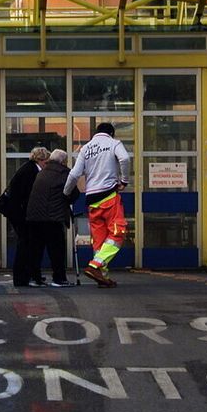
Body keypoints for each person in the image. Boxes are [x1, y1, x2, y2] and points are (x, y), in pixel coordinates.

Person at [63, 122, 130, 288]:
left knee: (99, 241)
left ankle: (103, 277)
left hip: (91, 200)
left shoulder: (86, 149)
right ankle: (95, 265)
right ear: (111, 134)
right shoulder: (114, 144)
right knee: (117, 233)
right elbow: (125, 158)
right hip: (109, 197)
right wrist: (124, 181)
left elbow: (74, 174)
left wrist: (65, 193)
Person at [26, 148, 79, 287]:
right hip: (52, 217)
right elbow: (74, 193)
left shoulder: (42, 172)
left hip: (34, 216)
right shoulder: (63, 173)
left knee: (36, 249)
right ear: (63, 161)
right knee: (56, 249)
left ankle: (35, 278)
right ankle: (59, 278)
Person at [3, 146, 51, 287]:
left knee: (27, 244)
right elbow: (28, 195)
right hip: (22, 213)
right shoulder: (31, 171)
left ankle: (28, 275)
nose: (46, 165)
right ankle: (23, 277)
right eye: (46, 162)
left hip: (19, 212)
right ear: (40, 159)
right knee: (26, 245)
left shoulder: (28, 169)